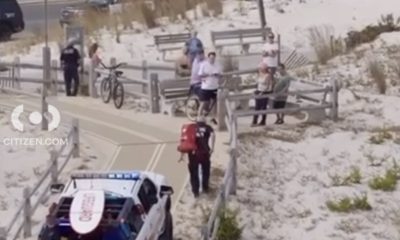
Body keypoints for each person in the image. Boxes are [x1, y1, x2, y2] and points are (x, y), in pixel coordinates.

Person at [179, 116, 215, 198]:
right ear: (205, 121)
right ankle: (205, 188)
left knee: (194, 174)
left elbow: (184, 140)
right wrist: (212, 148)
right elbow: (213, 135)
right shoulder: (208, 128)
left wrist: (182, 154)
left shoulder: (191, 128)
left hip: (193, 154)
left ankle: (195, 192)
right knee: (205, 171)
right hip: (204, 153)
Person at [197, 51, 222, 124]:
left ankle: (213, 117)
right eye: (211, 58)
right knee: (203, 103)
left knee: (214, 103)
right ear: (208, 58)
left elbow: (221, 75)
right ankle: (199, 117)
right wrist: (208, 75)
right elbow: (200, 75)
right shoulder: (204, 64)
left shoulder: (217, 65)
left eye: (213, 58)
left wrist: (217, 75)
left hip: (214, 86)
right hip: (206, 87)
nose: (212, 60)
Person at [252, 62, 274, 126]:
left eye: (261, 68)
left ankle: (263, 121)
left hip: (265, 91)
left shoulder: (268, 75)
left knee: (263, 107)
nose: (260, 69)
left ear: (264, 68)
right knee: (257, 107)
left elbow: (267, 85)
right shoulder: (259, 74)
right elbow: (258, 83)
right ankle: (254, 121)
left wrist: (262, 92)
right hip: (259, 90)